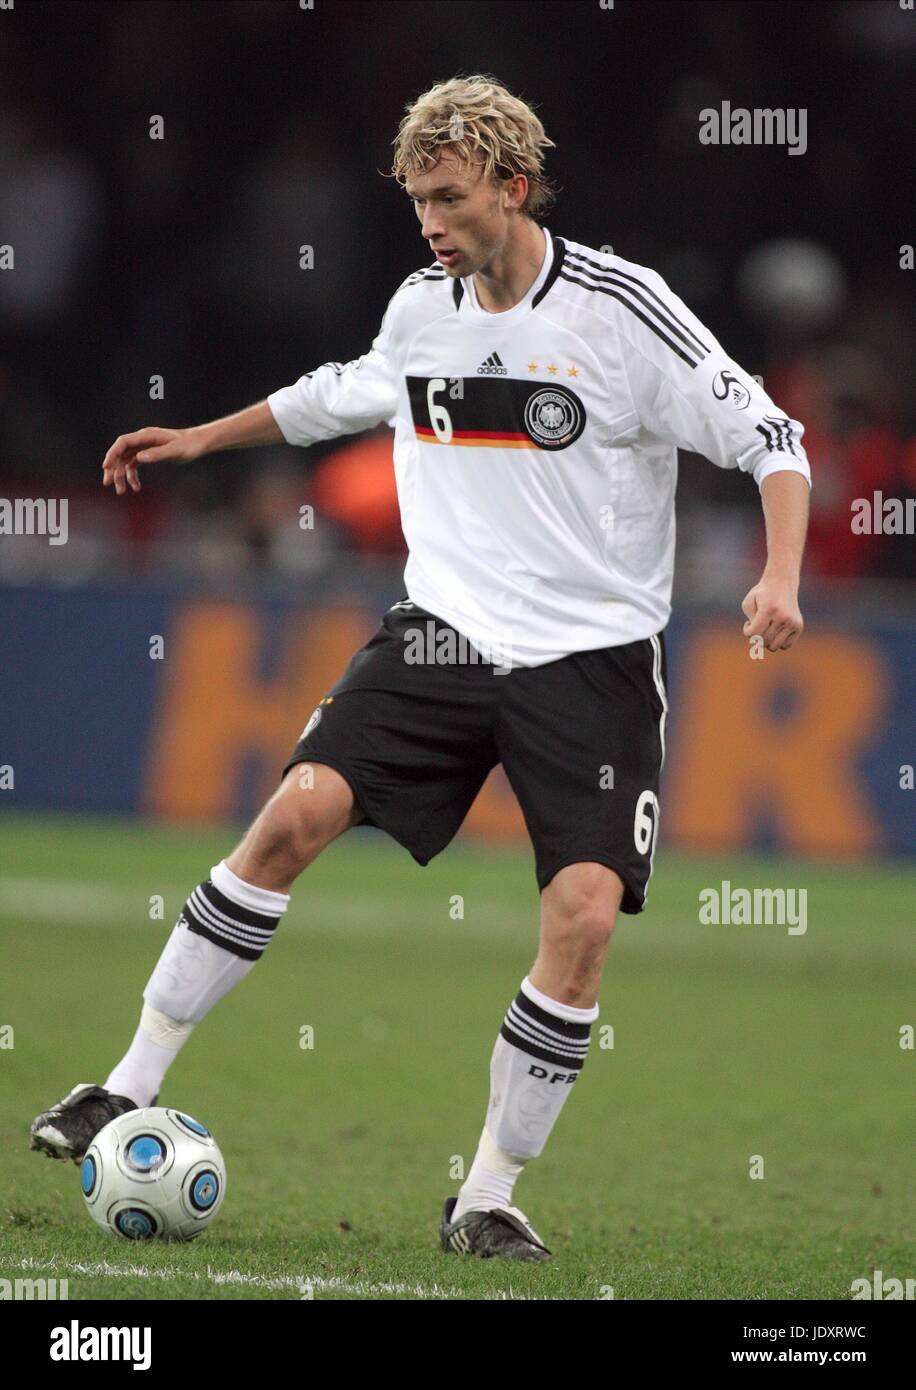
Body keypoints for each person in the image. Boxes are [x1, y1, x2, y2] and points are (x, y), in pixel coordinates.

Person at [31, 74, 810, 1263]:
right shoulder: (421, 305)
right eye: (413, 203)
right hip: (440, 635)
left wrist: (780, 576)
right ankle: (122, 1084)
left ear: (511, 184)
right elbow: (341, 392)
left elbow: (773, 441)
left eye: (446, 199)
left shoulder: (620, 311)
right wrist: (201, 435)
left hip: (587, 661)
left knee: (583, 916)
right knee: (290, 819)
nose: (430, 223)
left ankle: (488, 1192)